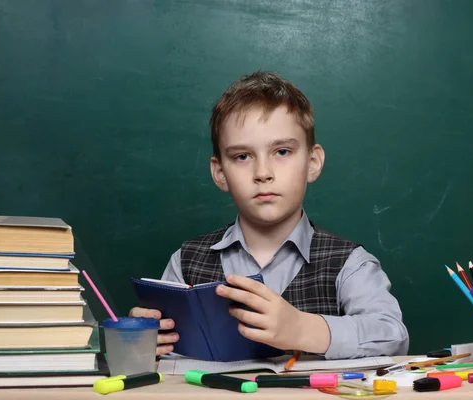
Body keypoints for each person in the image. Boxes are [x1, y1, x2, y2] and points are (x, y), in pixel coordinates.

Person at [130, 71, 409, 359]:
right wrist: (144, 341)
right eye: (242, 156)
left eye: (282, 151)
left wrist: (301, 328)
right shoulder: (186, 262)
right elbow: (167, 360)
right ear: (220, 172)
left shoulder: (350, 264)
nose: (263, 173)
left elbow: (393, 336)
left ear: (312, 163)